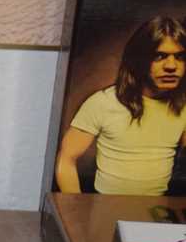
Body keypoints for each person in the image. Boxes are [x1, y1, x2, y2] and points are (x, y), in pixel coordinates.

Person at [55, 16, 186, 195]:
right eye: (159, 56)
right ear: (139, 59)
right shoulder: (102, 102)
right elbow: (66, 159)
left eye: (180, 57)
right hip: (106, 207)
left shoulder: (183, 106)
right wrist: (75, 210)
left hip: (155, 211)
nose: (171, 66)